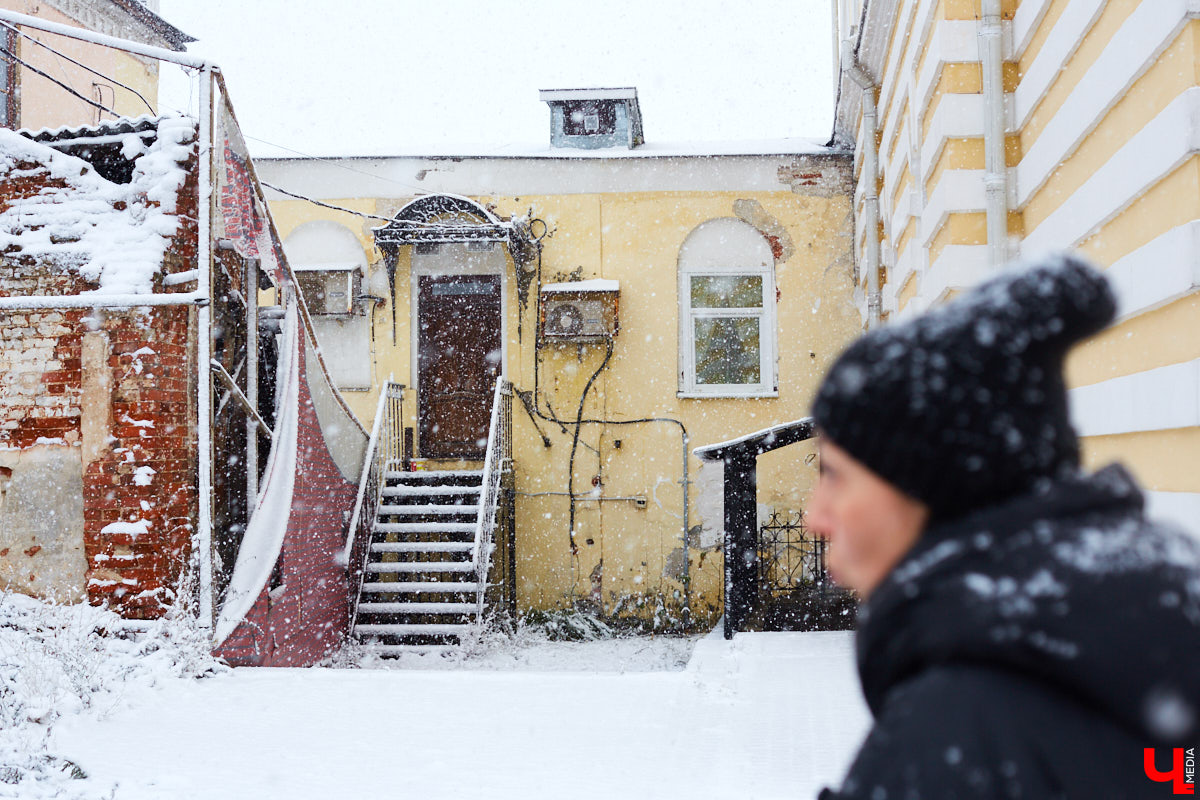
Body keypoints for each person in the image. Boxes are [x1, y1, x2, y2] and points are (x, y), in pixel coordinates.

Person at [807, 254, 1200, 798]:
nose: (814, 517)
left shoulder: (949, 740)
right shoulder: (1165, 612)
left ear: (935, 487)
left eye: (834, 474)